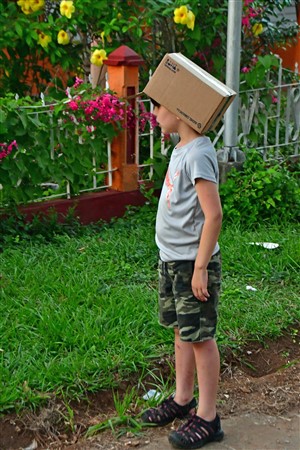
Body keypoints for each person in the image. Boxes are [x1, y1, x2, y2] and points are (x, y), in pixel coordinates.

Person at [141, 98, 224, 450]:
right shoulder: (181, 148)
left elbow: (214, 214)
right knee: (182, 332)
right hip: (172, 260)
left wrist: (201, 267)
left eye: (158, 107)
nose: (155, 115)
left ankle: (208, 418)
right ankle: (182, 398)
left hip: (193, 265)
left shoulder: (198, 154)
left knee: (201, 337)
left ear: (179, 109)